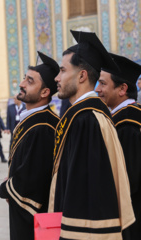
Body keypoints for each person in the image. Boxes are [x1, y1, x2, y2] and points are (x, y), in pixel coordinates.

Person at [49, 30, 134, 239]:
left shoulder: (85, 120)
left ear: (81, 75)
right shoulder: (87, 114)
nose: (56, 78)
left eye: (62, 71)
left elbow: (87, 196)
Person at [0, 51, 60, 240]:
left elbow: (32, 180)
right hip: (23, 211)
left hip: (32, 216)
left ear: (45, 92)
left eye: (30, 81)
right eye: (25, 78)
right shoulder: (36, 120)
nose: (21, 84)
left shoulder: (43, 127)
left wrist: (6, 188)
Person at [95, 53, 141, 240]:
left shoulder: (128, 124)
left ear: (122, 89)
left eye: (103, 84)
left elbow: (128, 182)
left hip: (131, 218)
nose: (97, 89)